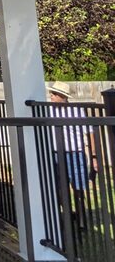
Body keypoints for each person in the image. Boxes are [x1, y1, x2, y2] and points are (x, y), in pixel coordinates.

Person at [48, 82, 99, 236]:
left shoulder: (75, 111)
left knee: (78, 188)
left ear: (62, 97)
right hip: (56, 153)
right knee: (58, 187)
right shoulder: (48, 110)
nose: (51, 96)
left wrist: (94, 155)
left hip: (75, 153)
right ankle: (68, 214)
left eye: (54, 94)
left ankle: (81, 218)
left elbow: (89, 132)